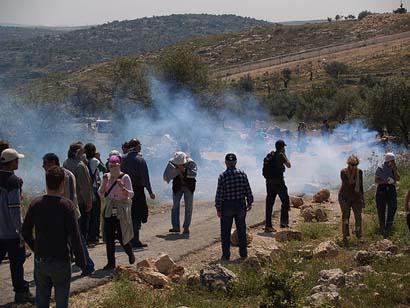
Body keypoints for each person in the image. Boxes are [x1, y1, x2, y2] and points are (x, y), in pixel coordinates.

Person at [22, 166, 86, 308]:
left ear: (46, 182)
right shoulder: (67, 205)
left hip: (41, 259)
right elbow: (75, 237)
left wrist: (35, 247)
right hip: (61, 259)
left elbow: (25, 231)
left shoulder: (36, 203)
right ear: (63, 183)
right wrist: (82, 261)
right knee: (62, 299)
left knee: (42, 298)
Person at [42, 153, 94, 276]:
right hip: (62, 214)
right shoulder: (52, 175)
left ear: (52, 162)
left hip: (69, 214)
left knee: (76, 240)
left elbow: (69, 197)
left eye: (45, 163)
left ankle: (87, 265)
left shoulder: (65, 175)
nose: (43, 166)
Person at [0, 148, 34, 304]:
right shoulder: (13, 182)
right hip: (11, 233)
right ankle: (21, 293)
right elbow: (15, 210)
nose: (18, 162)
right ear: (11, 162)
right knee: (16, 264)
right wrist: (22, 232)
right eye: (17, 160)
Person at [99, 155, 135, 270]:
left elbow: (131, 194)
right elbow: (101, 193)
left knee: (121, 235)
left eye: (115, 166)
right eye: (111, 166)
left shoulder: (125, 177)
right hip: (110, 209)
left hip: (121, 210)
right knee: (109, 237)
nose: (113, 168)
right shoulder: (107, 177)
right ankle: (111, 262)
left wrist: (122, 187)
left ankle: (130, 253)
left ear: (119, 166)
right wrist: (104, 182)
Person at [215, 153, 253, 261]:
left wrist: (218, 208)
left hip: (227, 206)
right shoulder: (242, 174)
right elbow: (248, 190)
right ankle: (243, 254)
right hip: (240, 205)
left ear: (226, 163)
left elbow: (219, 194)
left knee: (225, 232)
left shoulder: (223, 176)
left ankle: (226, 255)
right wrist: (249, 202)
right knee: (241, 230)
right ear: (236, 162)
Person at [121, 139, 155, 248]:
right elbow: (145, 178)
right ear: (136, 147)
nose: (140, 147)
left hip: (124, 190)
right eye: (139, 145)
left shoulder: (123, 158)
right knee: (137, 215)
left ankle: (127, 239)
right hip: (137, 191)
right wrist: (150, 192)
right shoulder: (140, 160)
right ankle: (135, 240)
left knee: (127, 215)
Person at [63, 143, 93, 240]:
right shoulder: (80, 166)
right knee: (81, 228)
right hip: (80, 201)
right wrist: (88, 201)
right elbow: (84, 186)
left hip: (68, 199)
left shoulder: (65, 163)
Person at [163, 151, 197, 234]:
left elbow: (194, 174)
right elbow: (166, 176)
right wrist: (175, 171)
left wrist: (184, 170)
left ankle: (186, 227)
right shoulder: (171, 163)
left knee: (188, 207)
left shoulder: (191, 163)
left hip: (189, 187)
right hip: (177, 187)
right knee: (175, 206)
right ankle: (175, 227)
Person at [263, 139, 292, 231]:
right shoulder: (280, 155)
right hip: (279, 183)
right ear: (282, 147)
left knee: (269, 204)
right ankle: (284, 223)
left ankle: (268, 225)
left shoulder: (271, 155)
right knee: (285, 201)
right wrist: (285, 156)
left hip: (269, 182)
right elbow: (289, 165)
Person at [84, 143, 107, 245]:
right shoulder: (94, 161)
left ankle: (88, 234)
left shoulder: (83, 160)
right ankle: (94, 236)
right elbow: (105, 170)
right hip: (94, 189)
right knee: (95, 213)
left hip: (85, 190)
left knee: (87, 213)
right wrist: (99, 158)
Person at [338, 155, 364, 242]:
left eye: (356, 164)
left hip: (356, 197)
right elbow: (347, 185)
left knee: (358, 216)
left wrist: (362, 198)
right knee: (345, 216)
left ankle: (359, 235)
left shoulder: (359, 172)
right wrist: (353, 174)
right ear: (348, 164)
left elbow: (360, 186)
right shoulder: (343, 172)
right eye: (352, 165)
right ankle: (345, 236)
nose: (354, 166)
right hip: (345, 197)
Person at [375, 153, 400, 235]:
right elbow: (376, 180)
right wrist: (385, 181)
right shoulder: (380, 168)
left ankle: (389, 225)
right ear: (388, 161)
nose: (393, 162)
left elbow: (398, 179)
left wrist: (395, 170)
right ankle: (382, 226)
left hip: (391, 189)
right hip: (382, 189)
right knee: (381, 208)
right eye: (392, 161)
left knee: (392, 207)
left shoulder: (393, 168)